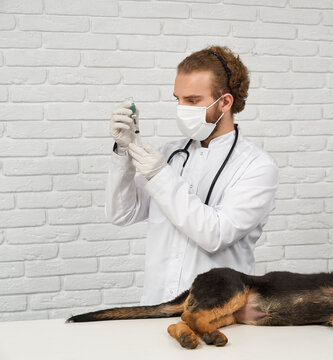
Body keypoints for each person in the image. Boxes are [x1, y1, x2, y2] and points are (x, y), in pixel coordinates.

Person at [106, 45, 279, 306]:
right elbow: (122, 213)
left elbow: (215, 234)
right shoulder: (170, 154)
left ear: (225, 102)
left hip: (217, 312)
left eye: (193, 100)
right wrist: (123, 152)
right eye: (178, 99)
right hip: (158, 306)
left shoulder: (256, 167)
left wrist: (160, 175)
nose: (181, 108)